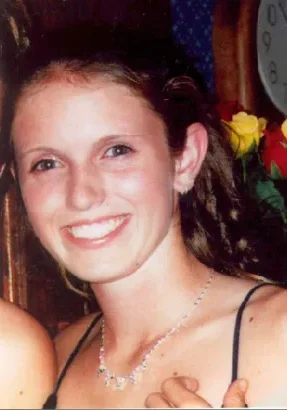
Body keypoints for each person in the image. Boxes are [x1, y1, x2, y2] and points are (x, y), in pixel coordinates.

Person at [3, 24, 287, 408]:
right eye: (47, 163)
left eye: (116, 151)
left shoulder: (279, 334)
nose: (82, 195)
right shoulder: (47, 364)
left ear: (184, 158)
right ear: (18, 182)